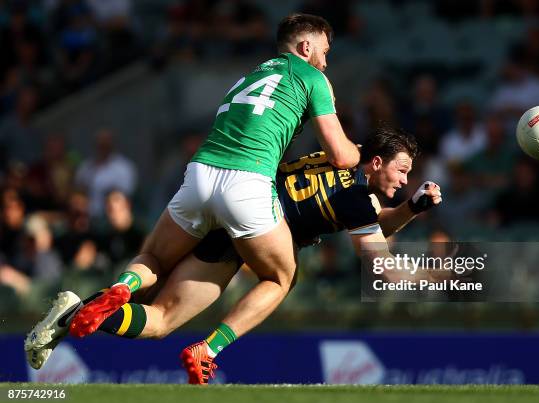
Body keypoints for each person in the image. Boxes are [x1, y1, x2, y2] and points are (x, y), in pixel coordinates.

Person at [26, 13, 360, 370]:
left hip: (200, 175)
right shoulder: (313, 77)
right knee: (281, 277)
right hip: (247, 185)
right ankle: (210, 349)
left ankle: (114, 291)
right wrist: (358, 153)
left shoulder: (251, 75)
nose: (326, 61)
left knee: (154, 273)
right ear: (305, 46)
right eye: (324, 51)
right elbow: (341, 156)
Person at [25, 126, 442, 384]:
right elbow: (379, 262)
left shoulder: (336, 158)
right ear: (375, 162)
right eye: (402, 170)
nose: (406, 179)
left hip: (226, 212)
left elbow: (368, 218)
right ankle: (209, 349)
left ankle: (80, 309)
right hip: (255, 226)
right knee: (282, 279)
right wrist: (437, 277)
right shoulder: (359, 200)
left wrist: (410, 209)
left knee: (161, 319)